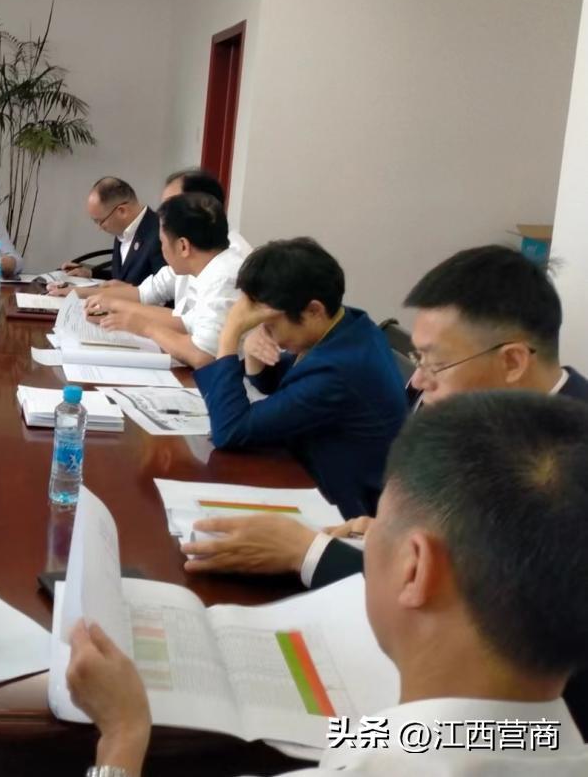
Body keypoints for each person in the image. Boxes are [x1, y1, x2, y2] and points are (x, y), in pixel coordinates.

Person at [68, 392, 588, 776]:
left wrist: (122, 737)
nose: (363, 534)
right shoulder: (548, 739)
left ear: (415, 569)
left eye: (378, 523)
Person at [181, 244, 588, 732]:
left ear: (514, 361)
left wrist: (310, 554)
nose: (417, 382)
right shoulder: (492, 414)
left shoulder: (567, 462)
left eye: (434, 363)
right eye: (417, 357)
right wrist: (385, 532)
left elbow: (491, 611)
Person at [194, 238, 407, 517]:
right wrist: (255, 355)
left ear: (313, 311)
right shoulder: (351, 325)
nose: (266, 331)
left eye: (270, 323)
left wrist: (230, 334)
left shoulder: (338, 371)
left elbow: (230, 431)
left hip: (346, 510)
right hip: (308, 473)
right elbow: (284, 383)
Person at [84, 193, 242, 368]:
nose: (162, 249)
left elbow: (202, 356)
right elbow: (185, 322)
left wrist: (145, 327)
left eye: (162, 243)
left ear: (183, 246)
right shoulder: (205, 264)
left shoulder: (223, 279)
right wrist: (118, 307)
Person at [50, 168, 252, 300]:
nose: (161, 214)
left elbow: (198, 341)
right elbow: (150, 291)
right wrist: (78, 293)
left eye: (170, 206)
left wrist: (131, 318)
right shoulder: (194, 247)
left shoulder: (229, 263)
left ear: (199, 207)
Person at [58, 177, 162, 286]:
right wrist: (90, 273)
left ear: (121, 211)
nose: (99, 228)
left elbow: (164, 292)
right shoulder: (123, 230)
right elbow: (122, 278)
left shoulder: (160, 235)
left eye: (100, 221)